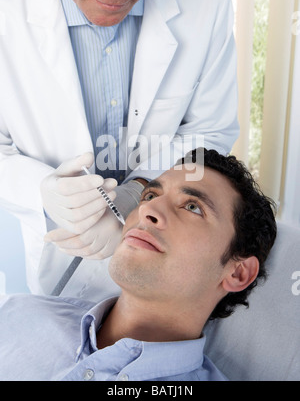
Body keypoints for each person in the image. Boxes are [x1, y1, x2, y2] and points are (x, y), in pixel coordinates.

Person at [0, 0, 239, 299]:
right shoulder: (6, 4)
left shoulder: (207, 0)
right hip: (60, 255)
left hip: (165, 258)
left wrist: (137, 194)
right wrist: (41, 191)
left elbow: (210, 131)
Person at [0, 149, 277, 381]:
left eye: (192, 207)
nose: (147, 210)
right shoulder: (16, 313)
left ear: (238, 272)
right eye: (150, 196)